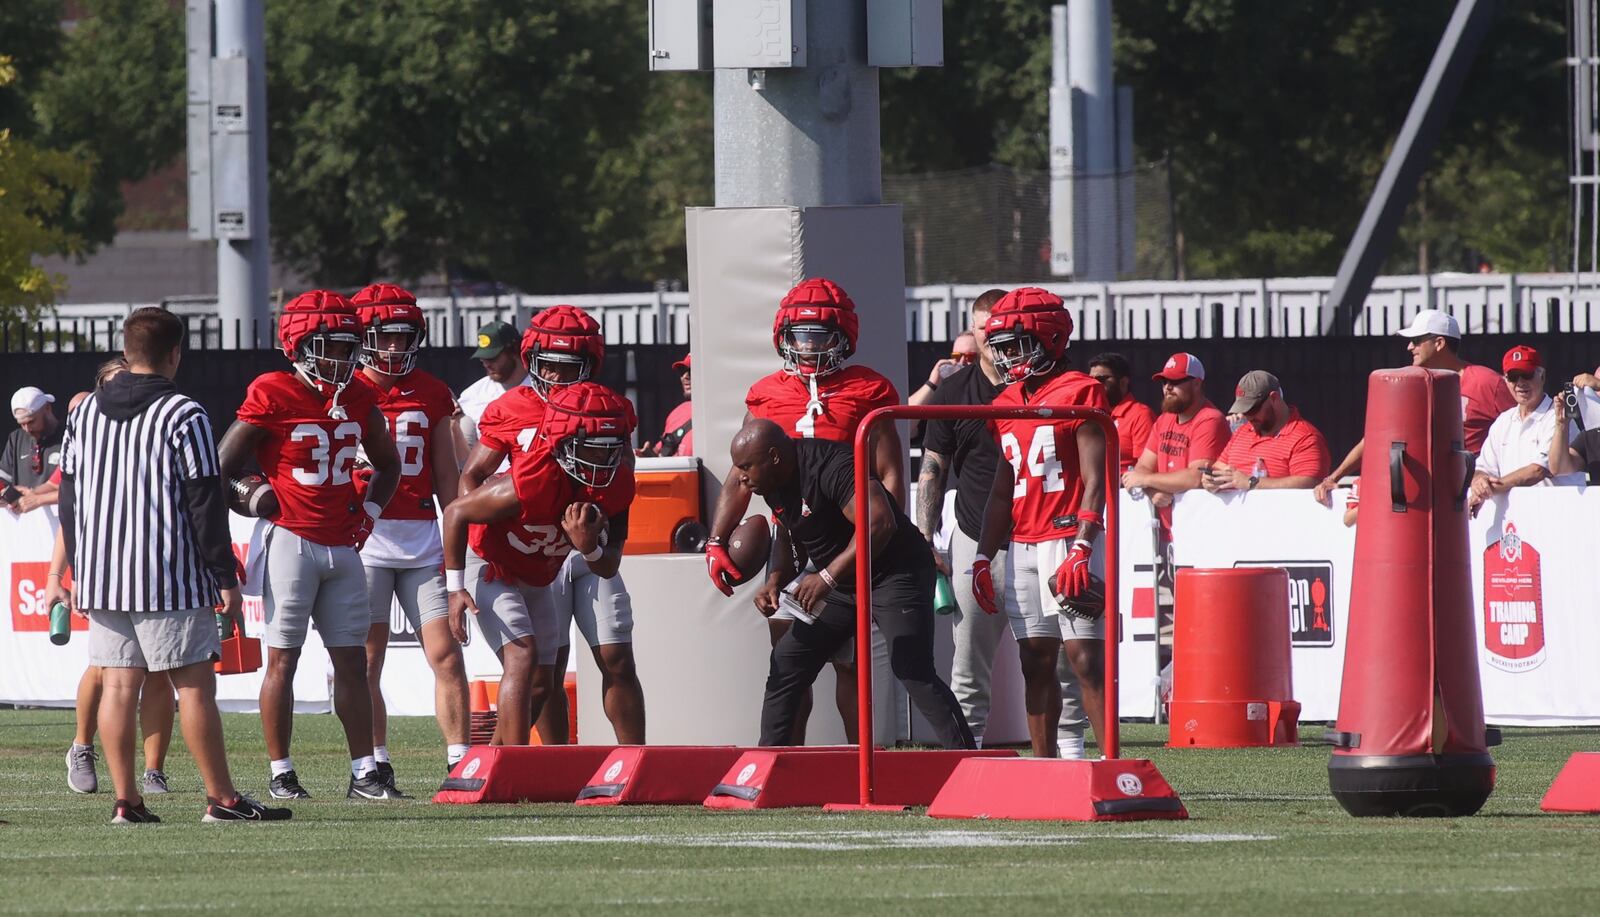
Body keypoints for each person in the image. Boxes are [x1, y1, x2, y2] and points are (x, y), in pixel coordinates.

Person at [46, 306, 288, 823]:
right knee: (195, 685)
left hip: (102, 575)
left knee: (117, 685)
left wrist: (76, 567)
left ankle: (125, 800)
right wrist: (224, 576)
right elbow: (205, 498)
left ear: (126, 350)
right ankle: (222, 799)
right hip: (167, 574)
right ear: (175, 353)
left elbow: (69, 497)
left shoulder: (84, 413)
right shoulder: (185, 413)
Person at [218, 290, 403, 801]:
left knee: (353, 662)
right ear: (299, 345)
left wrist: (369, 512)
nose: (342, 358)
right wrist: (253, 495)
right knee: (284, 660)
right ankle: (281, 771)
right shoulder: (273, 391)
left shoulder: (359, 396)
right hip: (290, 541)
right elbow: (221, 467)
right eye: (331, 346)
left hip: (342, 544)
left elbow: (389, 466)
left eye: (348, 347)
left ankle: (364, 771)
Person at [704, 277, 903, 745]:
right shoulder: (765, 393)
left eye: (820, 335)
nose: (809, 345)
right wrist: (716, 538)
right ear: (783, 336)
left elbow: (891, 473)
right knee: (788, 656)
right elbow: (740, 472)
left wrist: (888, 540)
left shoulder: (869, 389)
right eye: (800, 335)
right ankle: (785, 760)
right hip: (790, 535)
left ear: (843, 336)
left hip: (849, 538)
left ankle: (859, 766)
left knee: (849, 661)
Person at [458, 307, 646, 745]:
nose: (558, 376)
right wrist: (479, 541)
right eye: (548, 365)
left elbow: (623, 479)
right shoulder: (510, 407)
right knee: (544, 676)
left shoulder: (610, 408)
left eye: (569, 367)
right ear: (532, 359)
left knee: (617, 657)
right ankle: (521, 765)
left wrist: (596, 539)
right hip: (534, 546)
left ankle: (635, 759)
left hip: (586, 539)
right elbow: (472, 476)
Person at [732, 419, 975, 749]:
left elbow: (879, 523)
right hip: (847, 582)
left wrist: (826, 577)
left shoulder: (832, 465)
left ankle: (967, 760)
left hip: (894, 571)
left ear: (774, 456)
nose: (741, 477)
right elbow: (793, 535)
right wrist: (775, 580)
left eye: (745, 466)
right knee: (787, 659)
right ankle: (765, 766)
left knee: (912, 668)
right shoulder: (772, 481)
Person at [969, 288, 1109, 760]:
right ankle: (1047, 765)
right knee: (1035, 660)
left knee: (1085, 659)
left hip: (1070, 535)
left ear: (1050, 340)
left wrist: (1083, 546)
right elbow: (1001, 489)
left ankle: (1112, 762)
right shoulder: (1005, 403)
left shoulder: (1080, 391)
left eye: (1015, 345)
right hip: (1024, 544)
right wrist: (984, 556)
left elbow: (1096, 479)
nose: (1007, 356)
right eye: (1000, 347)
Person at [349, 284, 472, 792]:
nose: (396, 348)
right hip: (368, 540)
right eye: (385, 337)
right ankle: (376, 762)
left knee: (445, 653)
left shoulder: (433, 390)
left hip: (421, 537)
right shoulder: (347, 389)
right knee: (368, 658)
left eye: (404, 337)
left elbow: (449, 481)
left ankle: (459, 763)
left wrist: (455, 557)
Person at [54, 356, 178, 797]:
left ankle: (153, 770)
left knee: (161, 670)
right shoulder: (87, 431)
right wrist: (57, 574)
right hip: (105, 568)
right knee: (108, 671)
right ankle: (82, 747)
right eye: (113, 382)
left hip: (156, 568)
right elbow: (72, 512)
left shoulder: (154, 430)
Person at [1315, 309, 1514, 504]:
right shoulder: (1411, 384)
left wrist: (1506, 482)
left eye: (1417, 340)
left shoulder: (1486, 382)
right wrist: (1334, 478)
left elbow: (1518, 429)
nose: (1410, 347)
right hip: (1422, 495)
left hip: (1473, 494)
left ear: (1439, 343)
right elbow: (1377, 437)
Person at [1469, 345, 1583, 512]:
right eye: (1514, 377)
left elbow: (1538, 470)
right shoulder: (1503, 421)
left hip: (1558, 516)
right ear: (1505, 380)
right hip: (1518, 521)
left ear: (1542, 376)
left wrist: (1490, 489)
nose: (1520, 383)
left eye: (1527, 375)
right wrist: (1479, 482)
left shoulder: (1558, 417)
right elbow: (1483, 468)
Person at [1120, 352, 1231, 521]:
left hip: (1200, 523)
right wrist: (1151, 490)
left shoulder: (1210, 419)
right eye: (1164, 382)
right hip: (1168, 526)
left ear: (1196, 383)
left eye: (1176, 381)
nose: (1168, 387)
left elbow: (1195, 478)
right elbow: (1143, 466)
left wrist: (1145, 480)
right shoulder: (1164, 419)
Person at [1202, 371, 1330, 493]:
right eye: (1244, 410)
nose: (1248, 416)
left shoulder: (1306, 437)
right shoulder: (1243, 431)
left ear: (1274, 398)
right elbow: (1219, 467)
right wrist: (1212, 479)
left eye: (1252, 409)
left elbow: (1310, 483)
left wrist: (1252, 483)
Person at [455, 320, 528, 458]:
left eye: (492, 357)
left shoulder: (541, 388)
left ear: (513, 350)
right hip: (489, 476)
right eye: (483, 359)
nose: (487, 364)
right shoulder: (473, 395)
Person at [1087, 352, 1155, 474]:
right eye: (1091, 380)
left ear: (1123, 382)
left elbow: (1148, 467)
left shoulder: (1141, 415)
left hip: (1124, 490)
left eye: (1101, 379)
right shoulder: (1089, 414)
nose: (1095, 385)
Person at [2, 386, 64, 514]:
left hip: (59, 519)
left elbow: (66, 486)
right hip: (25, 522)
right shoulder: (16, 438)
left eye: (31, 421)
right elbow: (3, 479)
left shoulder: (68, 437)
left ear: (47, 408)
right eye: (22, 424)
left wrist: (36, 497)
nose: (27, 429)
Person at [909, 332, 979, 407]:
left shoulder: (985, 387)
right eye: (957, 356)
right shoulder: (946, 388)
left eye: (970, 356)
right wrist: (932, 383)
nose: (962, 362)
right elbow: (907, 414)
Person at [644, 354, 693, 457]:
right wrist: (648, 456)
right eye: (682, 371)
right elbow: (662, 452)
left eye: (691, 371)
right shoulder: (677, 412)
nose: (685, 376)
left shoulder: (717, 413)